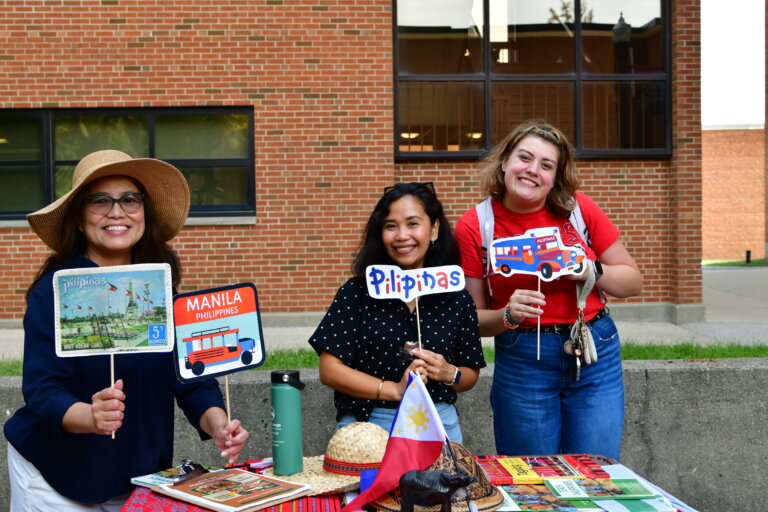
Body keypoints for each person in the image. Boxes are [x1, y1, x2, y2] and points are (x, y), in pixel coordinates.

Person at [4, 150, 250, 511]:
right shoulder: (53, 292)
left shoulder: (160, 292)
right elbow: (42, 391)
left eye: (130, 200)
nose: (116, 212)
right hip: (53, 478)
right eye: (100, 201)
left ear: (144, 214)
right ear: (78, 219)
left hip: (138, 477)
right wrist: (88, 415)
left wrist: (218, 425)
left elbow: (192, 379)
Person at [453, 120, 642, 460]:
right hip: (523, 357)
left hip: (593, 349)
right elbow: (474, 321)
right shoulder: (476, 225)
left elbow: (632, 281)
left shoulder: (579, 210)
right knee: (531, 481)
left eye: (546, 165)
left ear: (556, 175)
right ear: (506, 160)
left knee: (597, 474)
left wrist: (590, 270)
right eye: (524, 158)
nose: (532, 170)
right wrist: (507, 314)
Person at [309, 182, 486, 442]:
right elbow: (329, 369)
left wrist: (449, 373)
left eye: (413, 224)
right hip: (367, 427)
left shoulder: (457, 297)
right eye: (391, 226)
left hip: (438, 422)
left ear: (434, 229)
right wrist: (393, 390)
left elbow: (469, 373)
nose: (402, 235)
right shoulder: (357, 291)